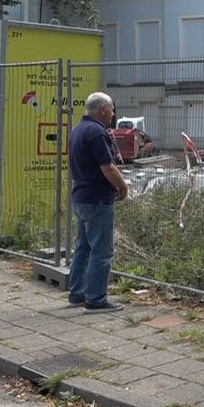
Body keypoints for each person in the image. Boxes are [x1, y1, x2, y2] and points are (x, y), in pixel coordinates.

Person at [66, 92, 129, 313]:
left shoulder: (77, 130)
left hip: (81, 197)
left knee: (83, 247)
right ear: (102, 109)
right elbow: (108, 167)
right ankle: (95, 299)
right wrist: (123, 186)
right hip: (97, 200)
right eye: (112, 108)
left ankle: (77, 292)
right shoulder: (96, 132)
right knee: (101, 251)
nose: (113, 113)